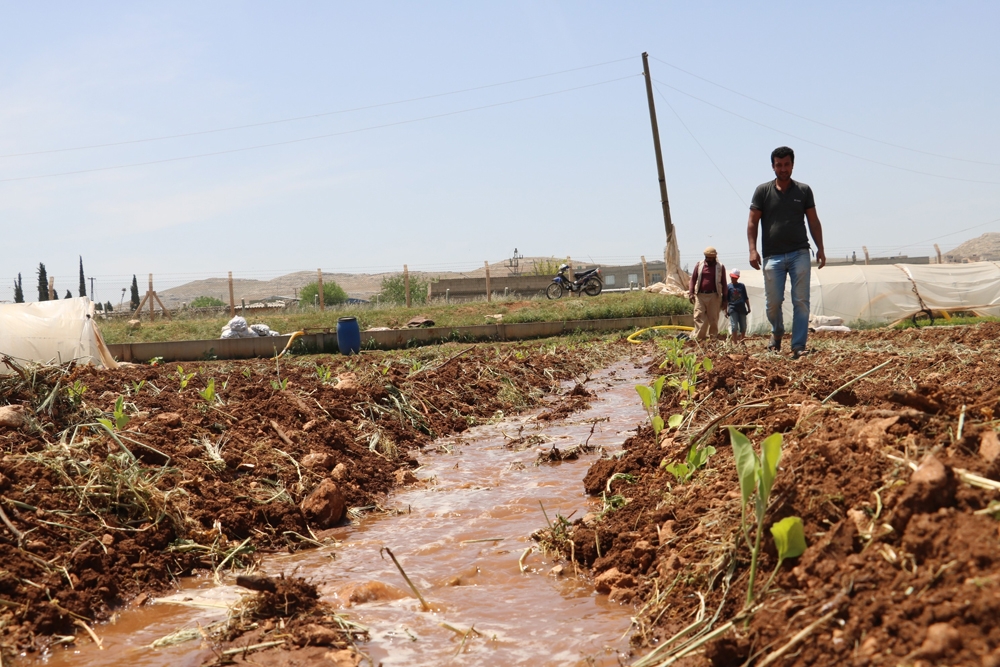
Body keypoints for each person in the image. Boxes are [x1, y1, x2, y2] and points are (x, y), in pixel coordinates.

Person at [746, 146, 825, 359]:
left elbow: (813, 221)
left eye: (786, 164)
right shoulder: (763, 191)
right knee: (773, 302)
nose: (783, 169)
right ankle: (777, 332)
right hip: (773, 256)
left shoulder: (804, 191)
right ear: (773, 166)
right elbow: (752, 222)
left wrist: (821, 248)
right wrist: (753, 250)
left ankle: (798, 346)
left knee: (801, 301)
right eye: (779, 165)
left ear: (792, 165)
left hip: (799, 252)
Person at [688, 246, 728, 341]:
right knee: (698, 316)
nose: (708, 259)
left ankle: (713, 339)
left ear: (714, 257)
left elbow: (724, 283)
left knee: (713, 319)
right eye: (707, 257)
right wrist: (691, 293)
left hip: (714, 296)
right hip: (700, 295)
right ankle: (699, 339)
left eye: (711, 257)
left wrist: (725, 299)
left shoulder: (720, 267)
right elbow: (693, 279)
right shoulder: (699, 265)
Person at [727, 269, 750, 343]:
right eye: (732, 277)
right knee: (734, 326)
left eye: (735, 277)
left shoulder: (741, 286)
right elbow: (726, 300)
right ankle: (735, 342)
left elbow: (745, 297)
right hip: (733, 308)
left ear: (738, 278)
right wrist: (725, 310)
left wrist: (748, 307)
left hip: (742, 308)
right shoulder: (728, 287)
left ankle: (742, 341)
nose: (733, 279)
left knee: (743, 326)